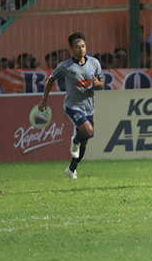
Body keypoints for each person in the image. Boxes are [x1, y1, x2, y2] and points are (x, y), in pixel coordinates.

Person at [37, 32, 104, 180]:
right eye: (77, 47)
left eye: (83, 46)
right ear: (71, 49)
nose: (81, 49)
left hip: (89, 107)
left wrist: (98, 84)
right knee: (87, 130)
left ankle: (72, 169)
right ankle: (74, 140)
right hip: (72, 106)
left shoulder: (94, 63)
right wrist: (44, 100)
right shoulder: (65, 66)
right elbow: (50, 79)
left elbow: (102, 84)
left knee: (85, 139)